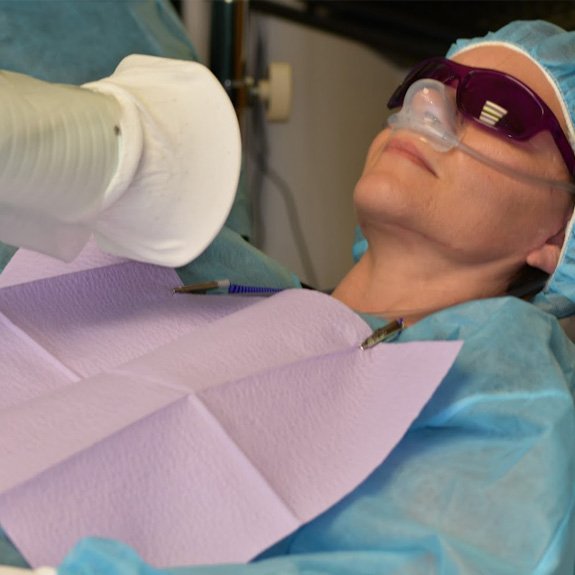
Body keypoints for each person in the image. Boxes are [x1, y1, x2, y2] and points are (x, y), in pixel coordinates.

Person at [2, 18, 575, 575]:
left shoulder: (505, 403)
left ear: (556, 235)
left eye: (498, 109)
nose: (427, 107)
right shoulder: (204, 259)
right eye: (426, 82)